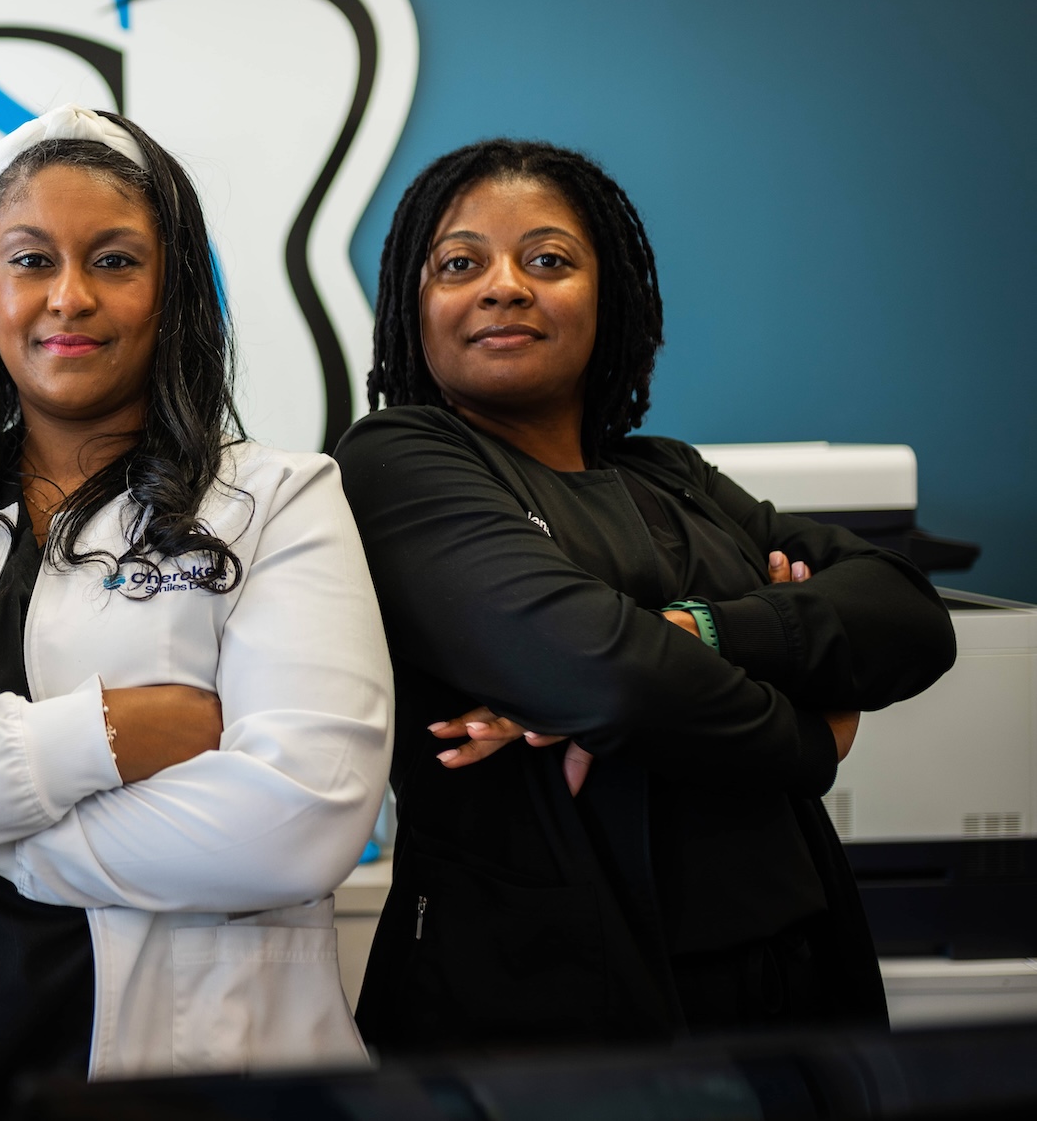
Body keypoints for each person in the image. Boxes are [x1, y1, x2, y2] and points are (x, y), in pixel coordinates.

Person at [0, 106, 392, 1082]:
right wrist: (101, 737)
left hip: (201, 1073)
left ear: (170, 290)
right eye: (32, 260)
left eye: (116, 261)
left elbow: (297, 821)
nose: (70, 297)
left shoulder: (278, 502)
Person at [337, 138, 957, 1050]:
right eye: (460, 263)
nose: (504, 285)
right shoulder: (400, 461)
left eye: (548, 259)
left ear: (608, 294)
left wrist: (689, 629)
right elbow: (603, 671)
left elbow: (910, 615)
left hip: (793, 974)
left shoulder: (671, 474)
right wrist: (812, 727)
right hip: (540, 1010)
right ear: (415, 305)